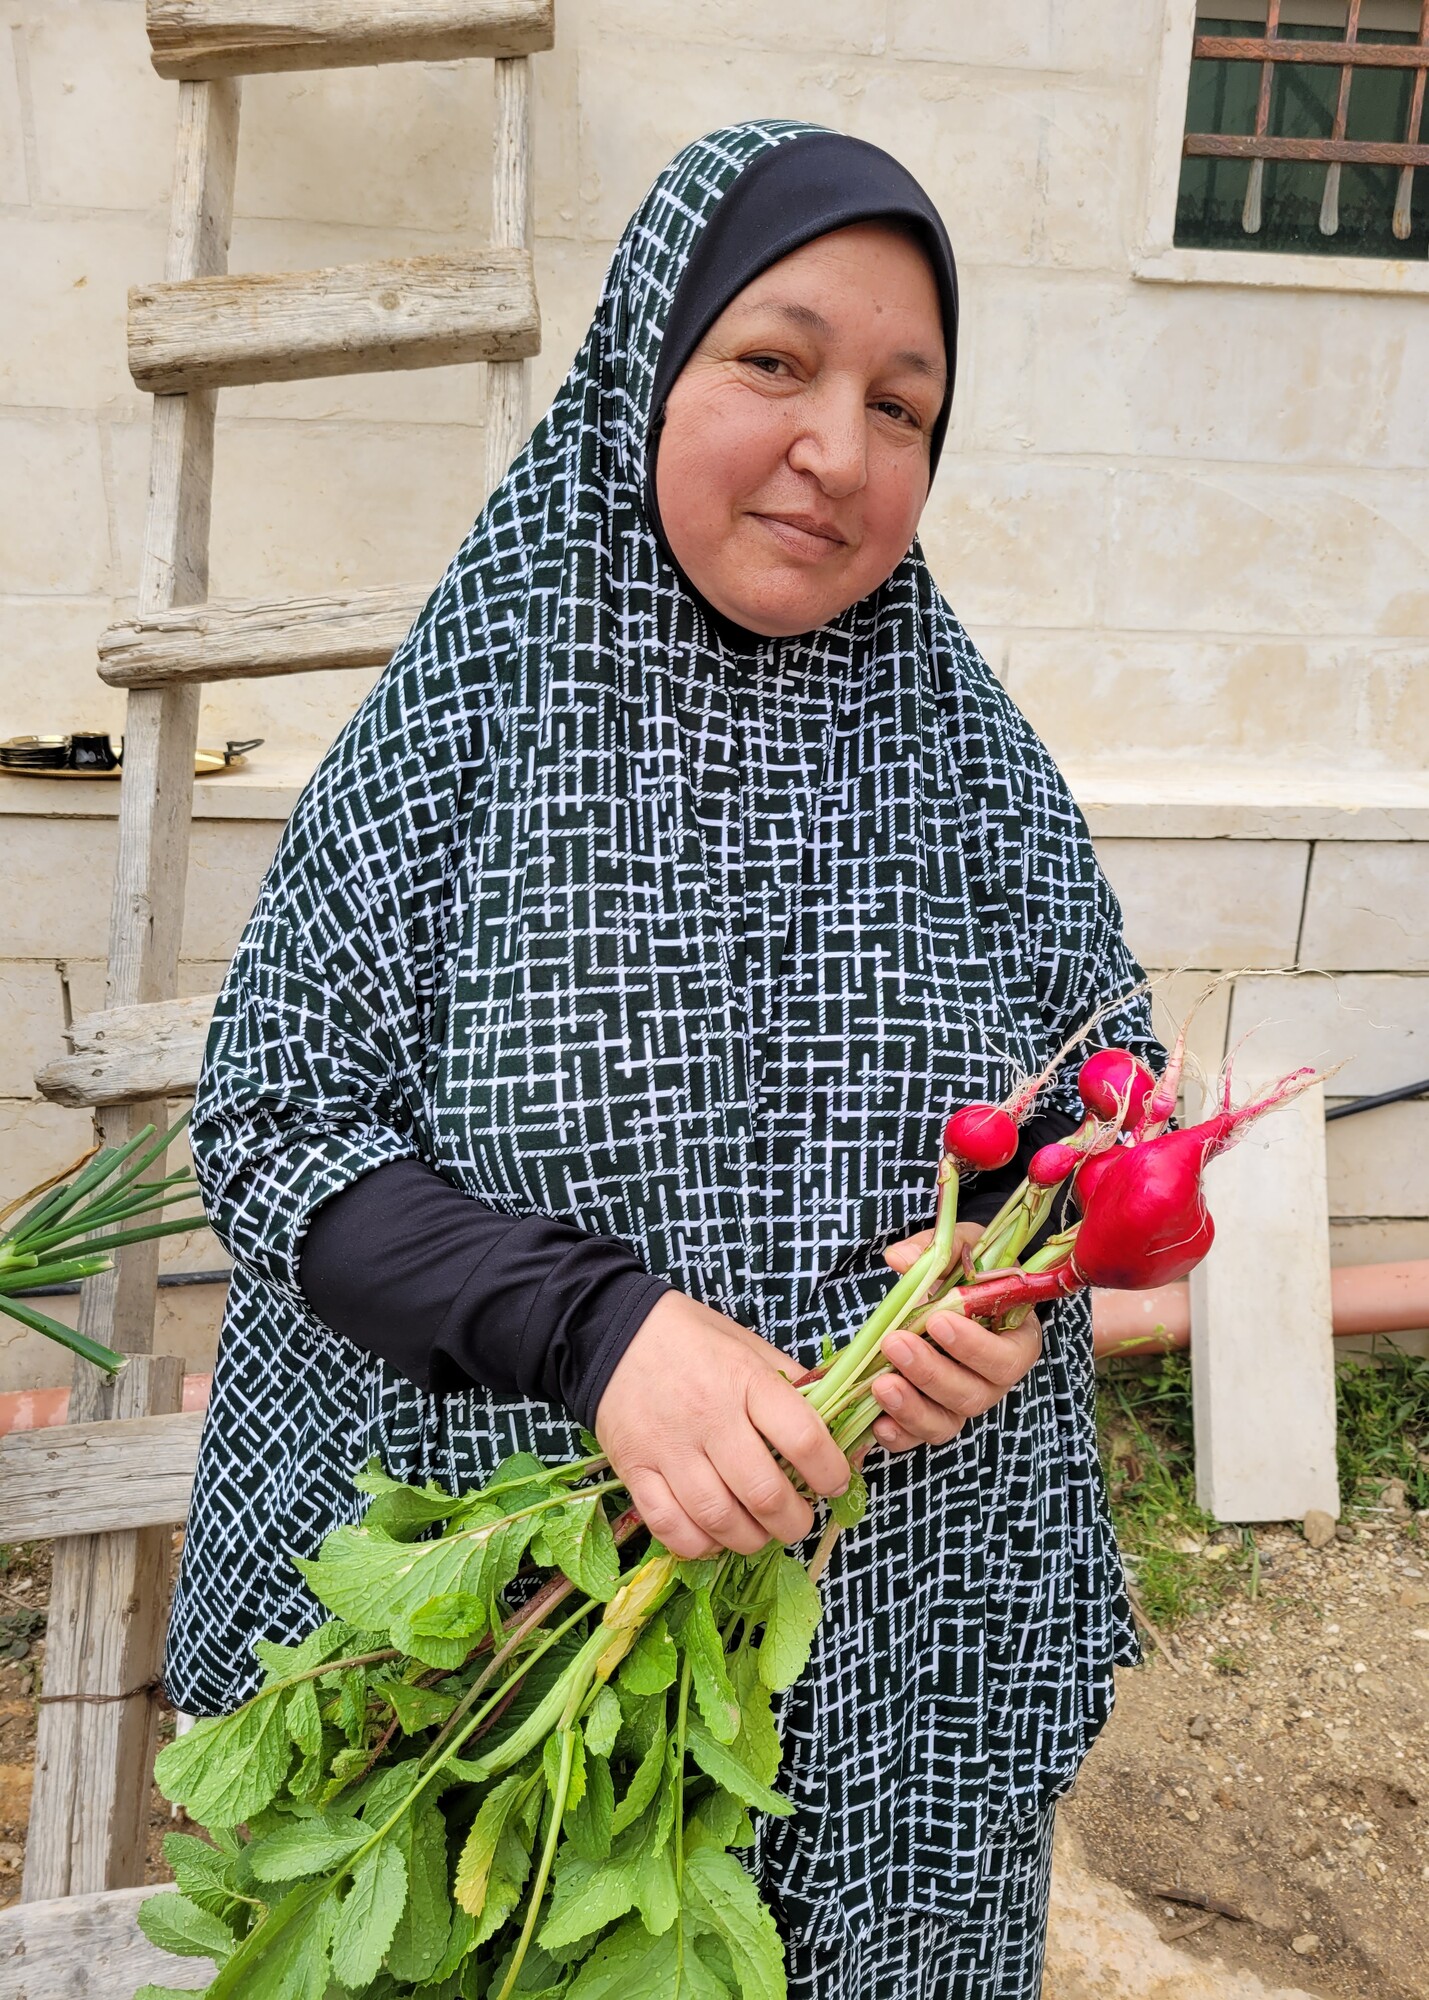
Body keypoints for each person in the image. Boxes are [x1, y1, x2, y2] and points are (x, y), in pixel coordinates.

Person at [168, 121, 1160, 1999]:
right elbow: (280, 1127)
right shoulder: (471, 718)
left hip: (890, 1643)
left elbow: (1099, 1102)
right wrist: (596, 1329)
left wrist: (1004, 1283)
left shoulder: (970, 758)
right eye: (772, 362)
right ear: (648, 358)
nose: (839, 453)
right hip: (518, 1657)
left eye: (903, 404)